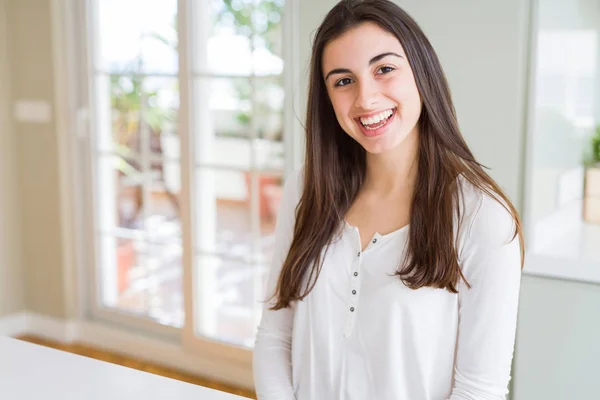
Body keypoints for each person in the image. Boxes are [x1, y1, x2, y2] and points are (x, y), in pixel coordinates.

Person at [253, 0, 524, 399]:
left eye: (384, 69)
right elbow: (275, 335)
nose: (366, 99)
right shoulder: (307, 188)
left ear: (421, 72)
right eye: (343, 81)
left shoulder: (482, 218)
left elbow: (479, 390)